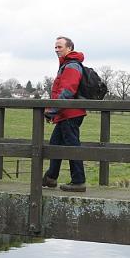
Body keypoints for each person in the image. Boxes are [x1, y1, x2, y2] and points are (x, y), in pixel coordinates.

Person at [42, 36, 87, 192]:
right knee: (55, 144)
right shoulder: (67, 65)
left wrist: (51, 110)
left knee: (72, 146)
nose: (56, 50)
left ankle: (79, 181)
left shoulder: (72, 66)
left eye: (60, 47)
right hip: (65, 113)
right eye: (55, 47)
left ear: (70, 49)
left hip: (70, 113)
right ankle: (51, 178)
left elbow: (67, 92)